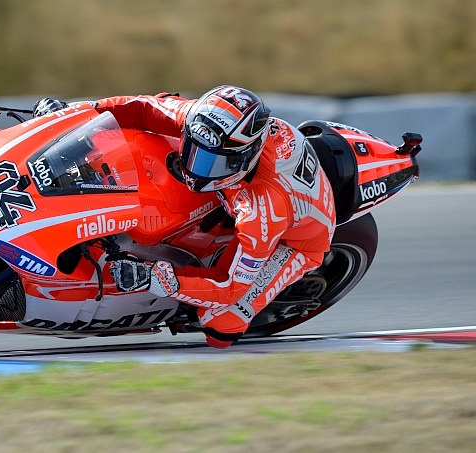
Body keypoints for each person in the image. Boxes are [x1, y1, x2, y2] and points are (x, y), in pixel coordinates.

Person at [33, 86, 336, 348]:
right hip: (244, 191)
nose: (195, 169)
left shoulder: (262, 211)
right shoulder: (203, 120)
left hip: (295, 241)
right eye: (192, 150)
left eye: (212, 162)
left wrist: (154, 277)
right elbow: (142, 108)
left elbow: (228, 286)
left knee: (220, 323)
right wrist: (75, 113)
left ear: (244, 158)